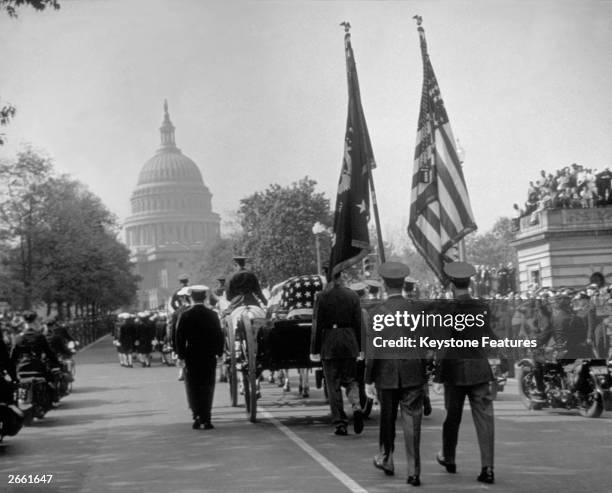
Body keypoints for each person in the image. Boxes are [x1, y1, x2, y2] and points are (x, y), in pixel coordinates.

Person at [365, 262, 428, 487]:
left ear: (383, 284)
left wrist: (368, 379)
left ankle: (387, 458)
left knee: (387, 419)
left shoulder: (376, 313)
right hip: (412, 371)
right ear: (403, 284)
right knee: (413, 423)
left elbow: (372, 351)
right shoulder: (417, 310)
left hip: (386, 372)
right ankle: (414, 471)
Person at [434, 261, 496, 485]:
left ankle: (449, 457)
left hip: (455, 370)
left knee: (452, 418)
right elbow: (490, 336)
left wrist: (437, 375)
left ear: (451, 284)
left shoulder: (446, 308)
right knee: (485, 420)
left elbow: (442, 342)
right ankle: (487, 467)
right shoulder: (482, 306)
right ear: (469, 283)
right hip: (479, 368)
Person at [310, 268, 363, 436]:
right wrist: (360, 347)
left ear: (326, 277)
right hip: (349, 341)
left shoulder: (322, 297)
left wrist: (315, 349)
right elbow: (358, 323)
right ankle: (356, 405)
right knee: (351, 380)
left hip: (330, 343)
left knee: (333, 385)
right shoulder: (352, 295)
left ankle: (340, 423)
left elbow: (317, 325)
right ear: (341, 275)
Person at [175, 285, 224, 430]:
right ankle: (207, 418)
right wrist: (219, 353)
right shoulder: (213, 315)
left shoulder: (185, 315)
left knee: (193, 386)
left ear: (191, 297)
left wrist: (181, 355)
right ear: (205, 297)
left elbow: (180, 338)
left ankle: (196, 416)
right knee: (208, 386)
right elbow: (219, 336)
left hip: (191, 355)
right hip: (208, 355)